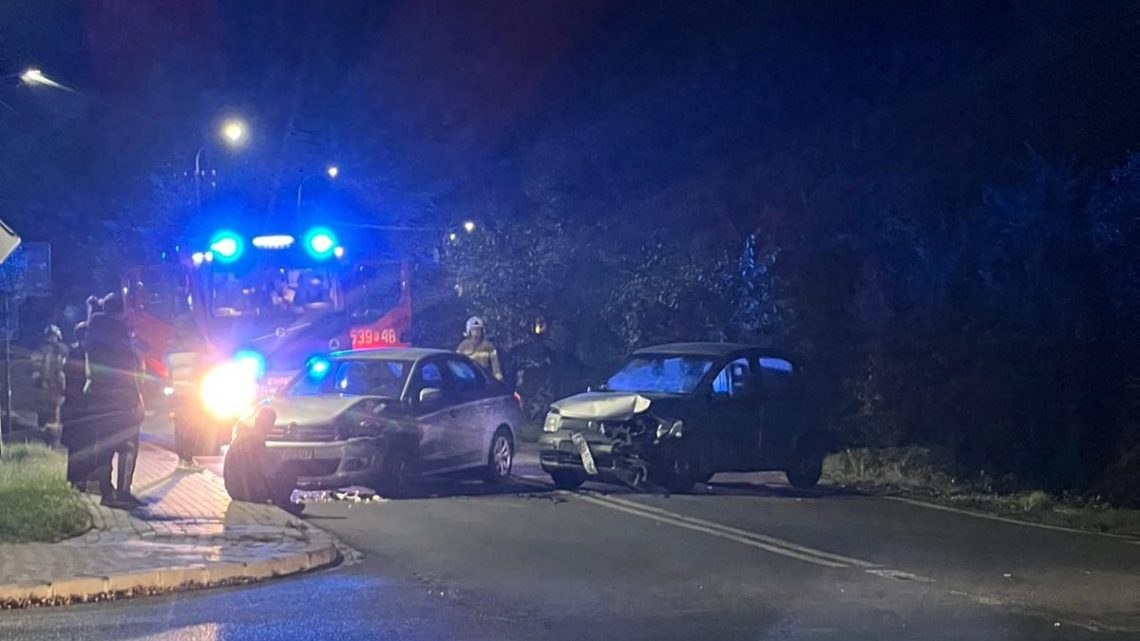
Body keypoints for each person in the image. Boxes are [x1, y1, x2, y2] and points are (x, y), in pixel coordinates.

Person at [86, 292, 145, 508]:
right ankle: (123, 491)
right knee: (129, 444)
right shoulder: (120, 334)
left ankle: (105, 493)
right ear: (120, 312)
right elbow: (128, 370)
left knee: (104, 446)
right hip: (121, 398)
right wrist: (137, 398)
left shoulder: (93, 331)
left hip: (98, 397)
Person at [223, 406, 302, 516]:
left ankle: (280, 502)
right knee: (291, 468)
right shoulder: (256, 440)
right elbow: (264, 472)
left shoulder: (244, 434)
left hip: (234, 490)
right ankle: (283, 503)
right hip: (248, 492)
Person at [61, 321, 98, 490]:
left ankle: (77, 479)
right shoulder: (81, 355)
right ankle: (79, 478)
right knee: (82, 445)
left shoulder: (73, 354)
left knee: (78, 446)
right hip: (81, 407)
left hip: (75, 407)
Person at [31, 324, 69, 438]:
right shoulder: (41, 349)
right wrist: (40, 376)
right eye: (50, 336)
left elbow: (64, 363)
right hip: (43, 381)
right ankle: (42, 428)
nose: (51, 339)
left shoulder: (62, 349)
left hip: (57, 382)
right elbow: (35, 362)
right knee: (42, 405)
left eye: (53, 336)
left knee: (56, 405)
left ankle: (54, 430)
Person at [456, 316, 503, 381]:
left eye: (478, 329)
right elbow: (457, 366)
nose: (476, 332)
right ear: (469, 331)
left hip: (486, 381)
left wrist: (498, 380)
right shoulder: (463, 346)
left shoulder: (489, 346)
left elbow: (495, 366)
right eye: (474, 329)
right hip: (469, 381)